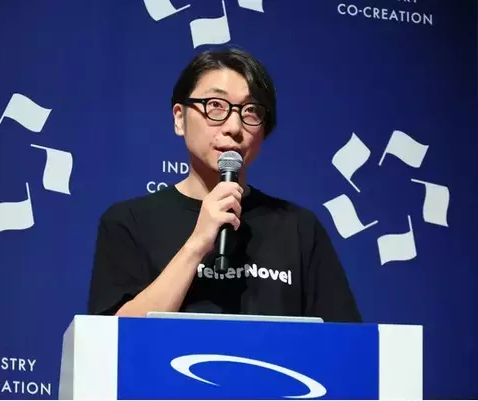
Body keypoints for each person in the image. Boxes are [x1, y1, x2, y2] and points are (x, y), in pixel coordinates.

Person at [87, 47, 361, 322]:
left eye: (251, 111)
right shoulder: (129, 221)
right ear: (180, 118)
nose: (233, 127)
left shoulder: (299, 228)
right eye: (215, 105)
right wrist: (197, 244)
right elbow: (110, 336)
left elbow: (345, 340)